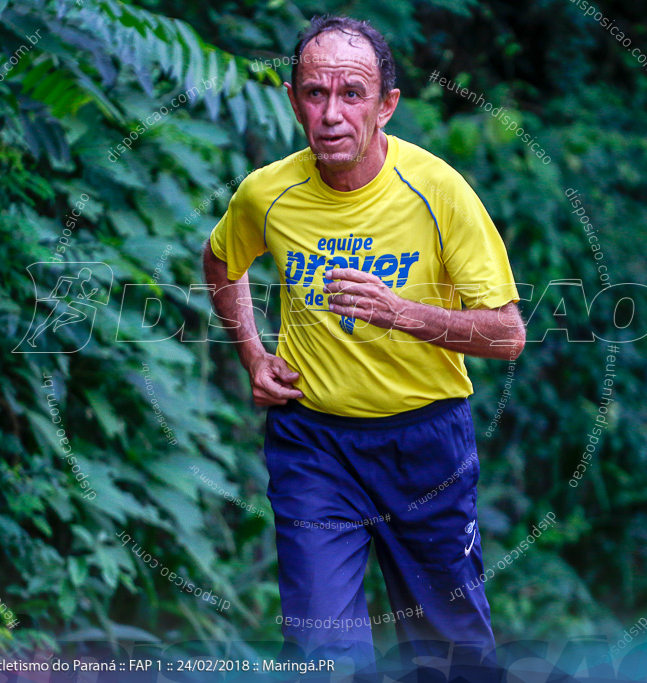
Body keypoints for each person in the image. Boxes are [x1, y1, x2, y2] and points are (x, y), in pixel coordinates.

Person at [201, 15, 525, 679]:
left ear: (386, 106)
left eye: (353, 94)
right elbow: (220, 265)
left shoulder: (437, 190)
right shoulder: (267, 193)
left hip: (425, 446)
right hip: (313, 447)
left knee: (453, 658)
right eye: (315, 94)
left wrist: (403, 313)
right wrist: (254, 355)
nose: (332, 114)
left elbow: (507, 332)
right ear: (293, 102)